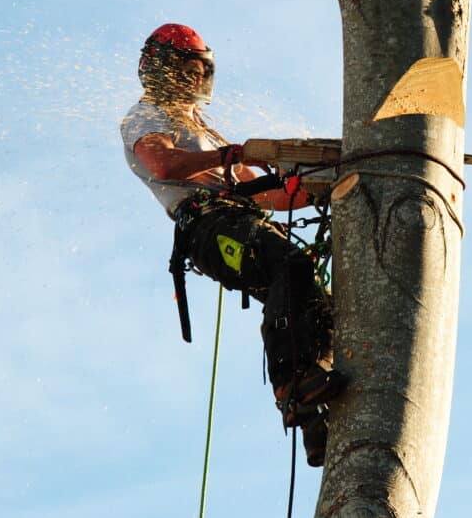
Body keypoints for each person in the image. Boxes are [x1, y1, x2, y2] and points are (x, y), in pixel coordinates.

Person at [120, 23, 344, 466]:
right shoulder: (146, 116)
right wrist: (233, 156)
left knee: (317, 299)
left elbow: (262, 194)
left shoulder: (205, 131)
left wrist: (307, 187)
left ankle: (317, 418)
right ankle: (291, 382)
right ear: (160, 71)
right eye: (185, 70)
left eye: (199, 70)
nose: (194, 80)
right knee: (289, 266)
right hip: (205, 224)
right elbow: (164, 164)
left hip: (239, 216)